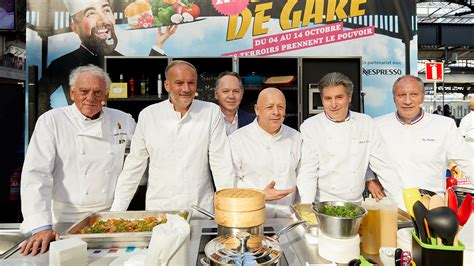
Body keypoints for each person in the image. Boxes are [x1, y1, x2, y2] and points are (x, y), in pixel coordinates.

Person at [20, 65, 136, 255]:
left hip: (107, 216)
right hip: (63, 219)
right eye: (84, 91)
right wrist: (41, 226)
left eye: (98, 92)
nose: (91, 97)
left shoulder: (122, 119)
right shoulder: (51, 121)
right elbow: (36, 174)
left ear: (106, 95)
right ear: (72, 93)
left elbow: (144, 150)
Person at [111, 60, 234, 213]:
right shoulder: (149, 115)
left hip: (199, 207)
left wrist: (230, 209)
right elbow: (134, 166)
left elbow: (221, 163)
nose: (186, 89)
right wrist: (115, 213)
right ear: (167, 85)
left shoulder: (211, 112)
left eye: (191, 83)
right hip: (160, 209)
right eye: (179, 83)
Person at [38, 0, 177, 115]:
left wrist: (159, 44)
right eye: (91, 13)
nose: (103, 20)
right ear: (75, 27)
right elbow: (39, 97)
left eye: (106, 10)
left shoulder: (119, 60)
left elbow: (147, 82)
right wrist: (59, 124)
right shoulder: (62, 63)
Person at [297, 72, 401, 204]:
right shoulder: (310, 126)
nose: (334, 104)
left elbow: (383, 166)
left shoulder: (366, 123)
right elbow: (308, 171)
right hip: (322, 204)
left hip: (356, 204)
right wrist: (306, 208)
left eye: (339, 97)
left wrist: (401, 205)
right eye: (328, 98)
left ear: (349, 97)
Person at [374, 76, 473, 199]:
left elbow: (468, 162)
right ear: (393, 97)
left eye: (414, 94)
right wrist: (370, 179)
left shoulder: (444, 125)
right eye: (401, 95)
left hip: (431, 205)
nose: (407, 101)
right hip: (390, 205)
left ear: (423, 96)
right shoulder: (377, 125)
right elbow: (362, 158)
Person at [229, 88, 301, 218]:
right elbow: (231, 181)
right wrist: (260, 194)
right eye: (269, 107)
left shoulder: (296, 138)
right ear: (257, 109)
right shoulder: (237, 140)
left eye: (280, 107)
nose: (276, 112)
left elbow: (303, 176)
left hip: (289, 217)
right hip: (251, 216)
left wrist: (300, 210)